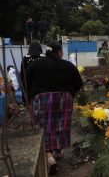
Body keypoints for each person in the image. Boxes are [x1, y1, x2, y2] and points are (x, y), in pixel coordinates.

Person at [26, 41, 83, 175]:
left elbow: (26, 83)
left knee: (43, 126)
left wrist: (28, 99)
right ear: (58, 52)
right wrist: (69, 94)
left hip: (42, 100)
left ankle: (49, 156)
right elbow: (79, 83)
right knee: (59, 124)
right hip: (64, 99)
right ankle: (58, 150)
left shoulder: (35, 65)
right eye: (61, 51)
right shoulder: (68, 65)